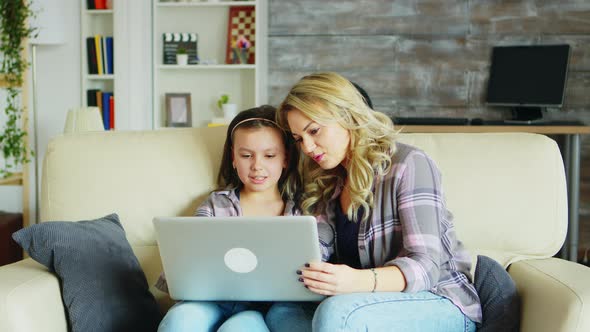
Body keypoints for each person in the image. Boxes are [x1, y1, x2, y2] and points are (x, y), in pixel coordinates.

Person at [270, 72, 482, 331]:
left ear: (347, 116)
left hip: (436, 300)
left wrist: (355, 281)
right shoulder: (327, 181)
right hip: (363, 302)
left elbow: (426, 267)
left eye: (314, 131)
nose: (308, 147)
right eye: (299, 139)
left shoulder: (409, 164)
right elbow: (316, 251)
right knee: (281, 312)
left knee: (336, 314)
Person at [156, 105, 301, 332]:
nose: (257, 166)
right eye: (246, 155)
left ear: (286, 158)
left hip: (269, 309)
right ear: (233, 158)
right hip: (212, 301)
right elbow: (188, 261)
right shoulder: (216, 205)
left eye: (269, 155)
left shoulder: (300, 211)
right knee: (180, 321)